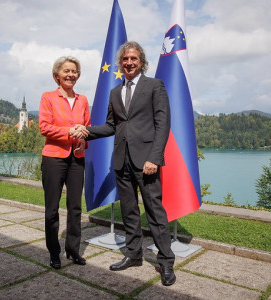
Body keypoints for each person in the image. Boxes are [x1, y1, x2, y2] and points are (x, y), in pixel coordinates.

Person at [71, 41, 176, 286]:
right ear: (121, 63)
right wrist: (86, 131)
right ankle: (134, 255)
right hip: (121, 161)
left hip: (146, 162)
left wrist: (154, 158)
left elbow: (163, 124)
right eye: (125, 59)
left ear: (141, 62)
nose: (129, 63)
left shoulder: (154, 86)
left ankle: (166, 262)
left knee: (155, 213)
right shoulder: (114, 92)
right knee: (129, 212)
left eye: (134, 59)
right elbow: (111, 126)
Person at [39, 56, 90, 269]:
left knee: (75, 207)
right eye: (66, 71)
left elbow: (87, 127)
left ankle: (73, 250)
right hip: (53, 158)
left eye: (75, 71)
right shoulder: (48, 98)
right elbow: (44, 127)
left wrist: (82, 141)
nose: (71, 75)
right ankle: (54, 252)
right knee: (52, 209)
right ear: (57, 76)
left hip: (76, 159)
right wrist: (69, 131)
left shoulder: (83, 100)